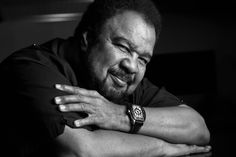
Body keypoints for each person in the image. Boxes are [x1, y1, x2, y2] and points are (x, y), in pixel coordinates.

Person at [0, 0, 211, 156]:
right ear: (87, 39)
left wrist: (119, 115)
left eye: (143, 59)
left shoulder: (121, 78)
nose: (132, 66)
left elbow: (198, 129)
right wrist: (164, 147)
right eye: (122, 47)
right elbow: (83, 151)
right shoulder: (31, 67)